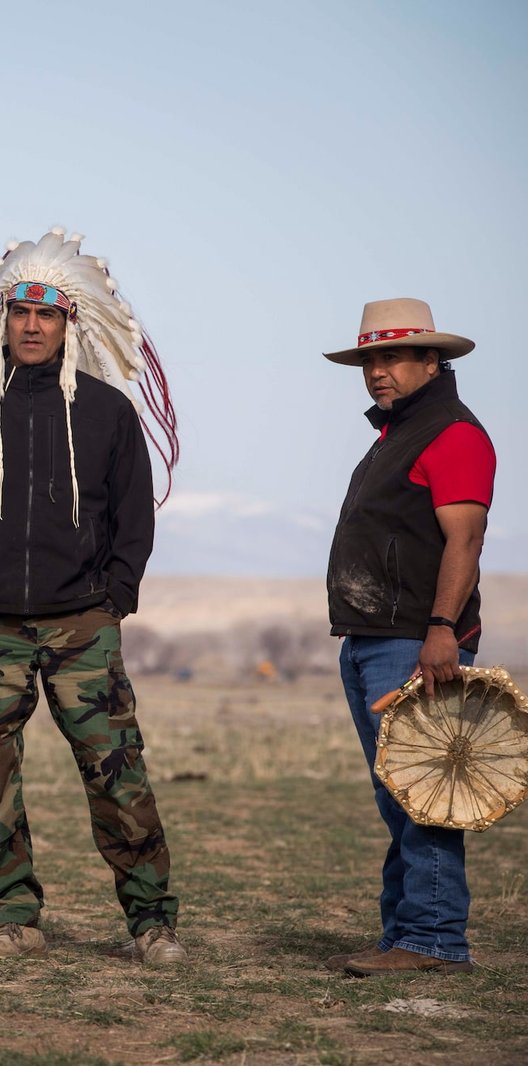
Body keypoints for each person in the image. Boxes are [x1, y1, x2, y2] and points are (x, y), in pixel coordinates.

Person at [0, 229, 184, 965]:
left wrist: (112, 597)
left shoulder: (107, 413)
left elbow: (133, 518)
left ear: (71, 324)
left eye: (48, 314)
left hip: (81, 625)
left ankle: (152, 923)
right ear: (2, 320)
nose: (32, 326)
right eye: (20, 312)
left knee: (115, 768)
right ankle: (14, 917)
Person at [323, 298, 495, 976]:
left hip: (415, 642)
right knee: (397, 795)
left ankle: (434, 942)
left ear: (432, 361)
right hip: (373, 637)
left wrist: (442, 631)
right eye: (369, 359)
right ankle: (405, 935)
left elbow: (468, 537)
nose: (377, 371)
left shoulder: (452, 432)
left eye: (392, 357)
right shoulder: (398, 435)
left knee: (422, 792)